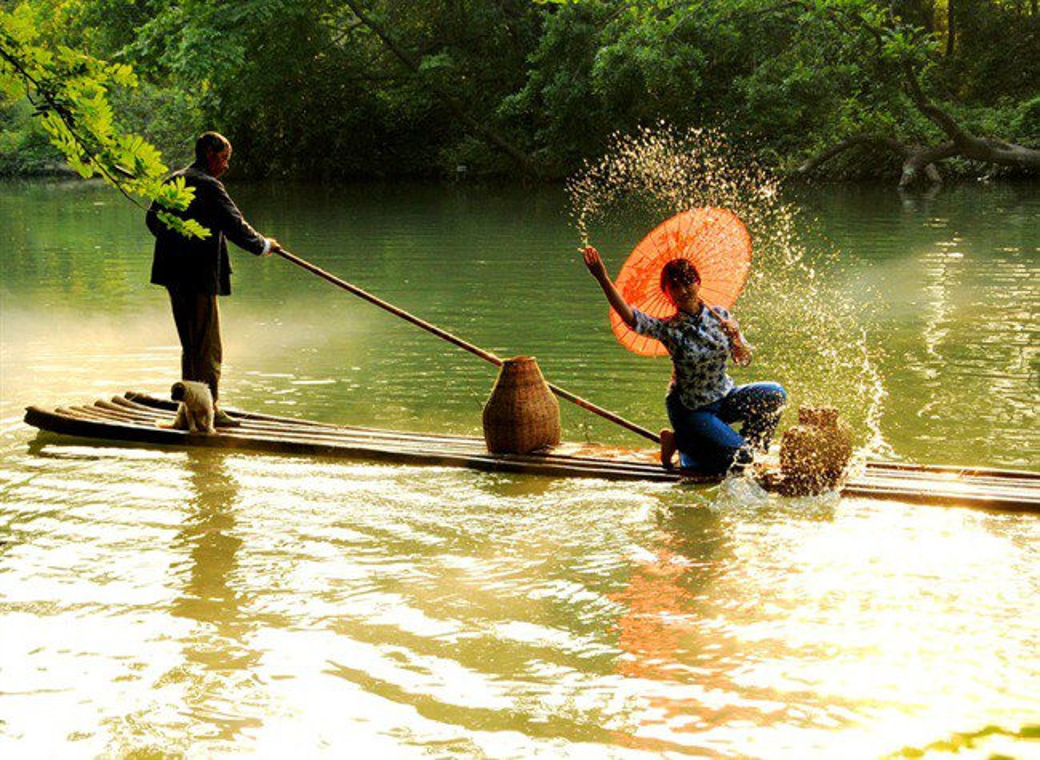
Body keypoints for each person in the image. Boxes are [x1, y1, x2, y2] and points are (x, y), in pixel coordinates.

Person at [582, 247, 786, 475]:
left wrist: (736, 337)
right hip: (692, 408)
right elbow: (630, 317)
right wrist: (602, 277)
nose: (683, 290)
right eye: (675, 286)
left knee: (775, 394)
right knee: (738, 458)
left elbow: (743, 359)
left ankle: (748, 450)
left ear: (698, 283)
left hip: (724, 396)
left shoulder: (721, 316)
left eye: (688, 282)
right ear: (667, 293)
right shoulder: (668, 328)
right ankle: (684, 440)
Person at [146, 131, 281, 427]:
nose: (226, 165)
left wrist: (178, 246)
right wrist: (263, 245)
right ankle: (210, 411)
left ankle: (190, 411)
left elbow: (152, 221)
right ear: (209, 153)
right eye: (223, 158)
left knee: (191, 345)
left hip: (173, 275)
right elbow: (234, 224)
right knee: (207, 347)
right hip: (197, 276)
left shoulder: (174, 181)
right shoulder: (208, 184)